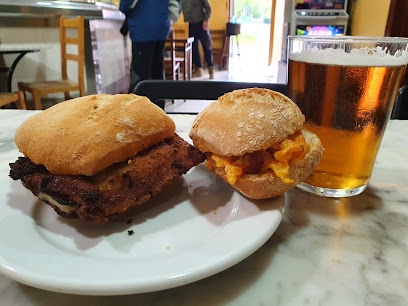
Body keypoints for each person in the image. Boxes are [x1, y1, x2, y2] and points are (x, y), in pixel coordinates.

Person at [119, 0, 180, 94]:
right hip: (161, 27)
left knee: (139, 77)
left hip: (142, 27)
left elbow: (125, 5)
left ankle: (136, 108)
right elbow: (176, 6)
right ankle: (159, 106)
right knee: (157, 72)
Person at [180, 0, 215, 79]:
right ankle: (198, 70)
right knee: (194, 48)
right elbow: (179, 8)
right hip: (191, 25)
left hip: (201, 23)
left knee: (207, 47)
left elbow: (208, 7)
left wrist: (206, 20)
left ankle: (211, 70)